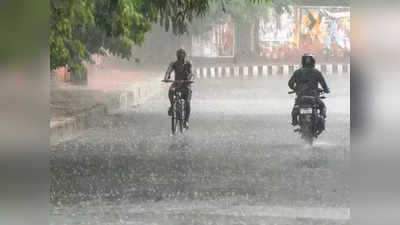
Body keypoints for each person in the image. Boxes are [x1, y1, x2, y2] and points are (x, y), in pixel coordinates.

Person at [288, 54, 330, 131]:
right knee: (323, 107)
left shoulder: (297, 72)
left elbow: (290, 83)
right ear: (313, 62)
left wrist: (295, 88)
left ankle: (295, 122)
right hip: (313, 97)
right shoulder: (317, 72)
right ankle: (321, 119)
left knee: (295, 109)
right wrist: (326, 90)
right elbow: (324, 84)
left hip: (301, 97)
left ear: (302, 62)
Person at [164, 48, 193, 129]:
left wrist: (189, 79)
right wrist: (166, 77)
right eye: (179, 54)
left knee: (187, 102)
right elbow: (168, 71)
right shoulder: (174, 64)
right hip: (176, 84)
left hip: (186, 84)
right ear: (177, 56)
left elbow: (191, 73)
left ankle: (186, 121)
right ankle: (172, 105)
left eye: (182, 54)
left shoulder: (188, 64)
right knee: (171, 90)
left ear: (185, 55)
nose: (180, 56)